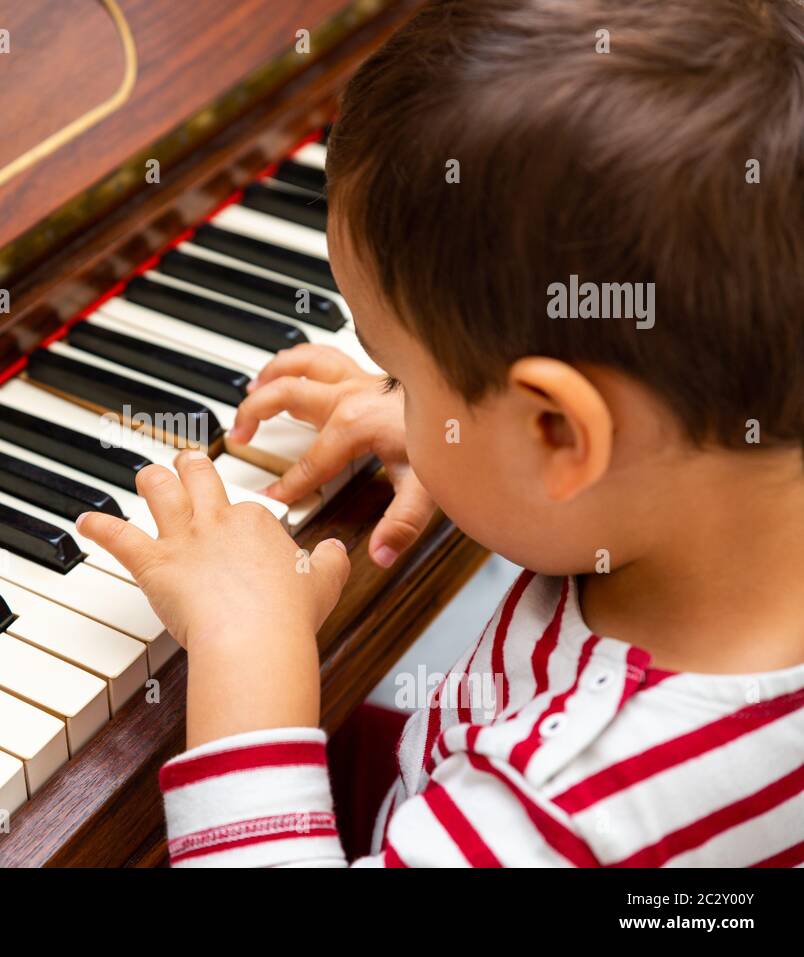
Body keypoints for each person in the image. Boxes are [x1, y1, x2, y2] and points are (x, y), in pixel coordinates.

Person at [76, 0, 804, 866]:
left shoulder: (556, 811)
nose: (393, 399)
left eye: (400, 376)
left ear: (558, 436)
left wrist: (249, 643)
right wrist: (463, 437)